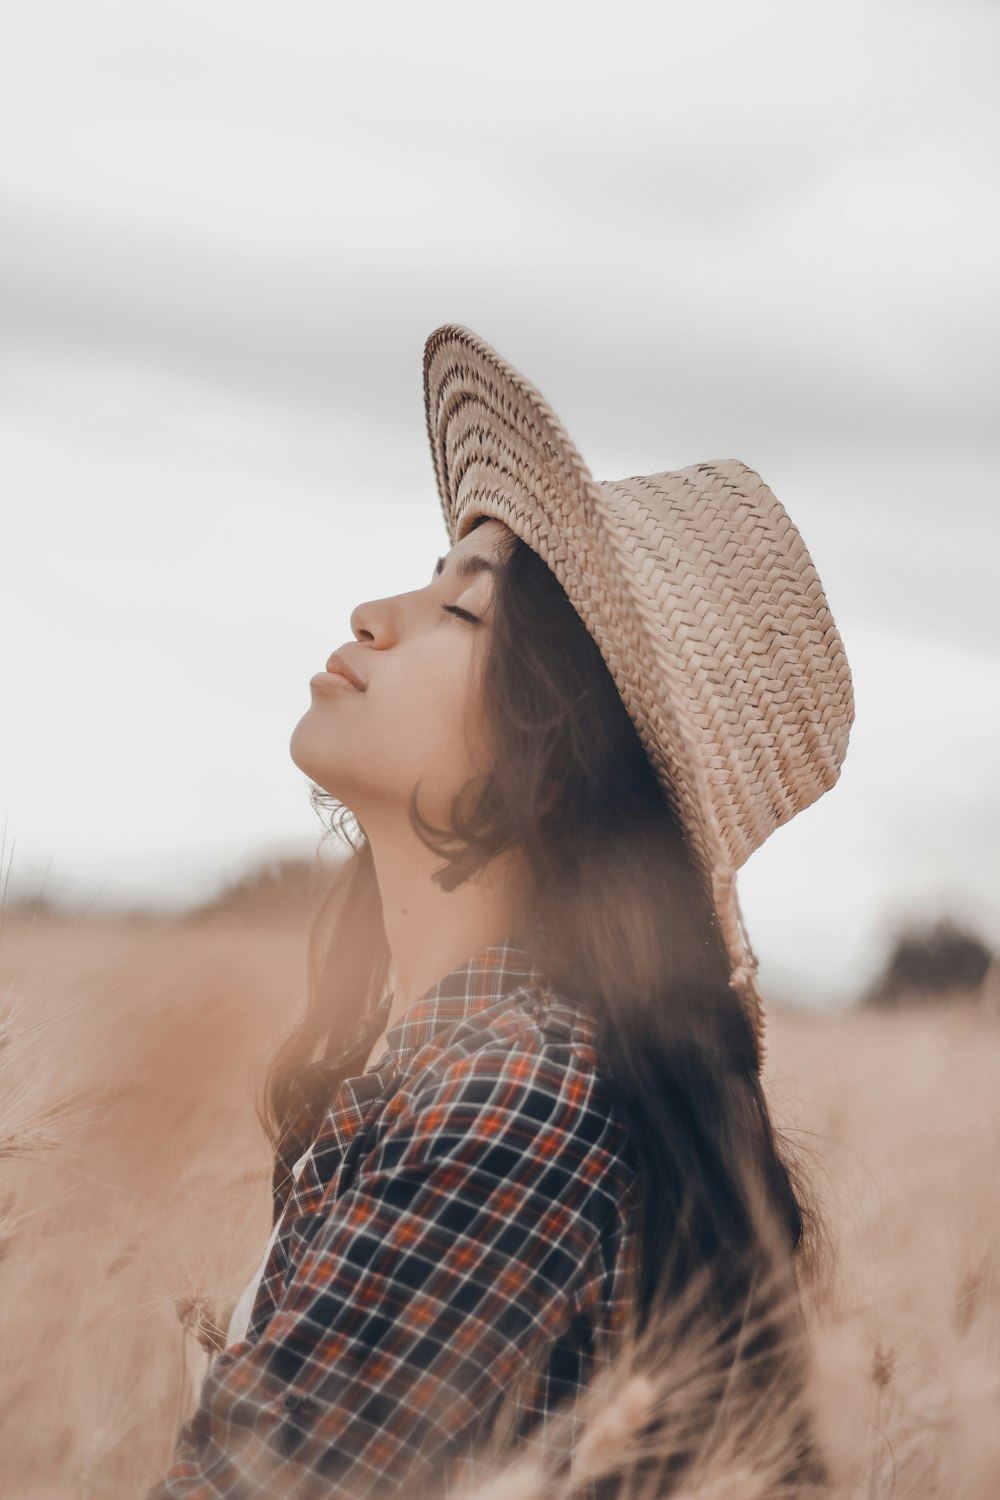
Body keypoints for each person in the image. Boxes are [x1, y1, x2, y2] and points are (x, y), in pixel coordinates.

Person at [150, 324, 853, 1499]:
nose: (375, 614)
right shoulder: (469, 1073)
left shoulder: (512, 1097)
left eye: (462, 612)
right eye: (429, 579)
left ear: (555, 752)